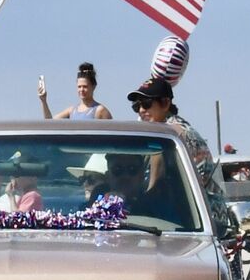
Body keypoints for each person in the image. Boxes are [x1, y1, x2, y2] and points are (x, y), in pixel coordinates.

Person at [126, 77, 239, 243]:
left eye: (147, 103)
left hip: (201, 222)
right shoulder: (169, 130)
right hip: (196, 217)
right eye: (137, 106)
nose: (141, 110)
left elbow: (154, 186)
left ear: (165, 103)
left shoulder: (170, 135)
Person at [37, 62, 112, 120]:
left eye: (85, 87)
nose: (81, 90)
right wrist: (43, 101)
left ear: (93, 86)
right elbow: (49, 123)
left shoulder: (100, 110)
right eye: (79, 87)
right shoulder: (72, 110)